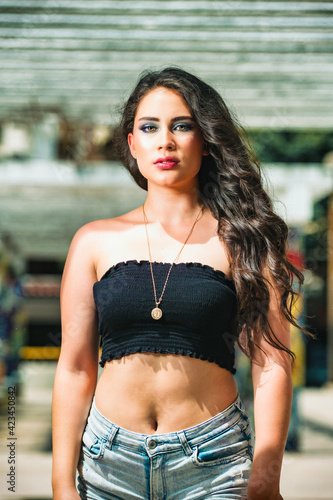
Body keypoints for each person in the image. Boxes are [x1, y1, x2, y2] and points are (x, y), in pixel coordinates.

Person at [52, 67, 307, 500]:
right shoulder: (93, 241)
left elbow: (272, 364)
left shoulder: (245, 240)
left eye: (182, 126)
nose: (165, 140)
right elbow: (75, 367)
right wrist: (61, 484)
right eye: (149, 127)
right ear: (132, 144)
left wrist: (266, 475)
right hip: (108, 466)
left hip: (214, 465)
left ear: (205, 141)